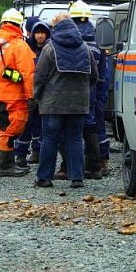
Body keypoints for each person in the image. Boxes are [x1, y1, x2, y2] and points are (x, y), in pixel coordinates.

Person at [34, 15, 98, 188]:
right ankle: (77, 177)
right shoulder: (85, 48)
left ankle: (44, 178)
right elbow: (94, 76)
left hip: (52, 103)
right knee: (75, 139)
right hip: (79, 104)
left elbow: (40, 77)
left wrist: (37, 95)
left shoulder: (50, 49)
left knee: (49, 139)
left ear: (56, 28)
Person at [0, 8, 35, 177]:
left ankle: (7, 164)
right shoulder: (20, 45)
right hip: (15, 96)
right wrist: (31, 96)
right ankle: (5, 166)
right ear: (19, 24)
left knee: (4, 126)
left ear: (3, 23)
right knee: (11, 128)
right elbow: (28, 74)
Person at [70, 2, 104, 180]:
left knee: (69, 129)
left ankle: (69, 166)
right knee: (90, 126)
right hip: (92, 90)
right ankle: (95, 166)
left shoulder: (70, 40)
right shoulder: (97, 40)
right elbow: (102, 72)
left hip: (72, 92)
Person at [14, 18, 49, 168]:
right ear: (32, 34)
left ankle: (38, 153)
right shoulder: (25, 49)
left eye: (43, 33)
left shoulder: (50, 49)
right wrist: (20, 81)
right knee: (25, 127)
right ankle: (20, 155)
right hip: (26, 95)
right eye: (37, 33)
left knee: (40, 127)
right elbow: (12, 71)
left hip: (43, 95)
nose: (40, 36)